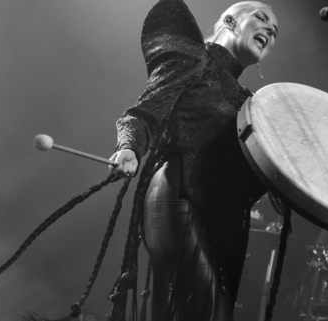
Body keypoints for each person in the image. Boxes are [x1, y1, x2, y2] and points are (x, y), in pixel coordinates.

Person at [107, 0, 278, 320]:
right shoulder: (196, 57)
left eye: (275, 31)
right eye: (261, 18)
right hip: (177, 195)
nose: (270, 29)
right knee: (209, 312)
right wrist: (129, 147)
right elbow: (143, 114)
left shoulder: (250, 104)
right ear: (229, 20)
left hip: (217, 219)